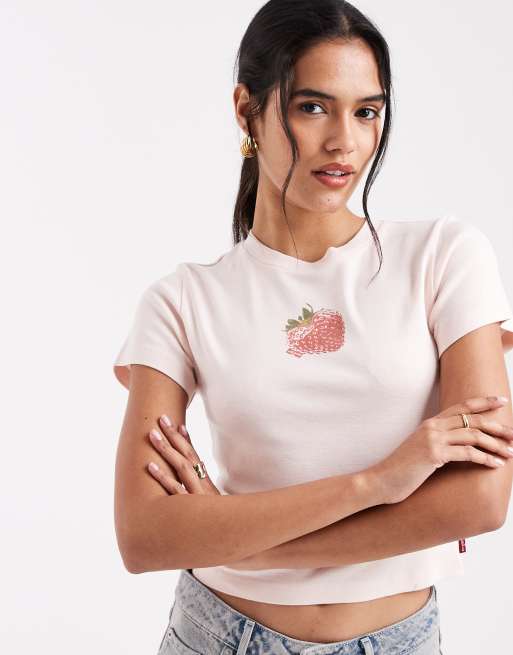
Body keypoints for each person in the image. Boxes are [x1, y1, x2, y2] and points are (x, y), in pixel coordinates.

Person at [112, 1, 513, 653]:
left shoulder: (444, 257)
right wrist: (376, 483)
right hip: (219, 635)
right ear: (247, 110)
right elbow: (145, 537)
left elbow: (480, 500)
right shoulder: (182, 300)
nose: (344, 142)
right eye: (312, 107)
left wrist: (231, 535)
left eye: (366, 112)